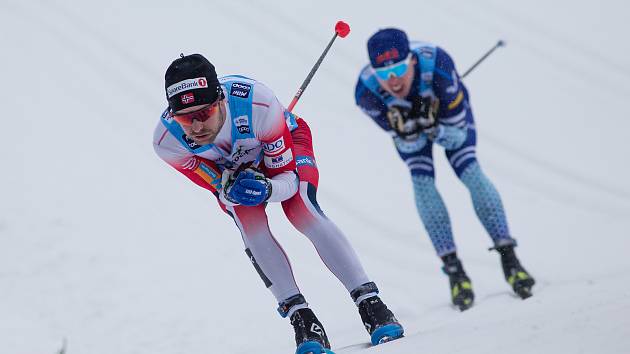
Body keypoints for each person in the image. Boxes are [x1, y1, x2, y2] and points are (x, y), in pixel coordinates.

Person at [153, 54, 404, 353]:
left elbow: (288, 181)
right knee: (248, 220)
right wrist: (229, 185)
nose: (195, 127)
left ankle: (370, 303)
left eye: (203, 114)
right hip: (236, 169)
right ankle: (301, 318)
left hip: (285, 149)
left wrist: (266, 187)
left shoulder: (258, 105)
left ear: (220, 100)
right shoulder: (167, 141)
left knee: (301, 210)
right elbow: (218, 187)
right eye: (184, 118)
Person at [354, 28, 535, 311]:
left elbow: (457, 137)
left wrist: (435, 127)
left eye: (399, 68)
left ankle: (510, 257)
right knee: (422, 181)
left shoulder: (438, 66)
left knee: (470, 172)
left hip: (450, 122)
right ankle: (455, 272)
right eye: (383, 73)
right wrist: (409, 131)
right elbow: (406, 143)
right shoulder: (365, 92)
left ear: (412, 60)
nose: (393, 80)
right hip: (420, 128)